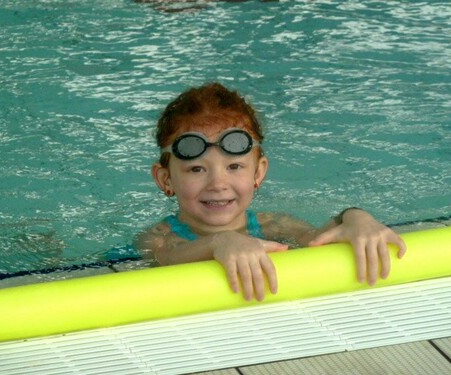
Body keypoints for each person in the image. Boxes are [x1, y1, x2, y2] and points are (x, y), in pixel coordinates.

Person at [135, 82, 407, 301]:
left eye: (234, 166)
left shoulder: (273, 224)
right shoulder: (159, 237)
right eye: (196, 170)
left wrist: (355, 218)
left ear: (258, 173)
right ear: (165, 179)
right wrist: (219, 242)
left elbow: (318, 239)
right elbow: (168, 259)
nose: (217, 184)